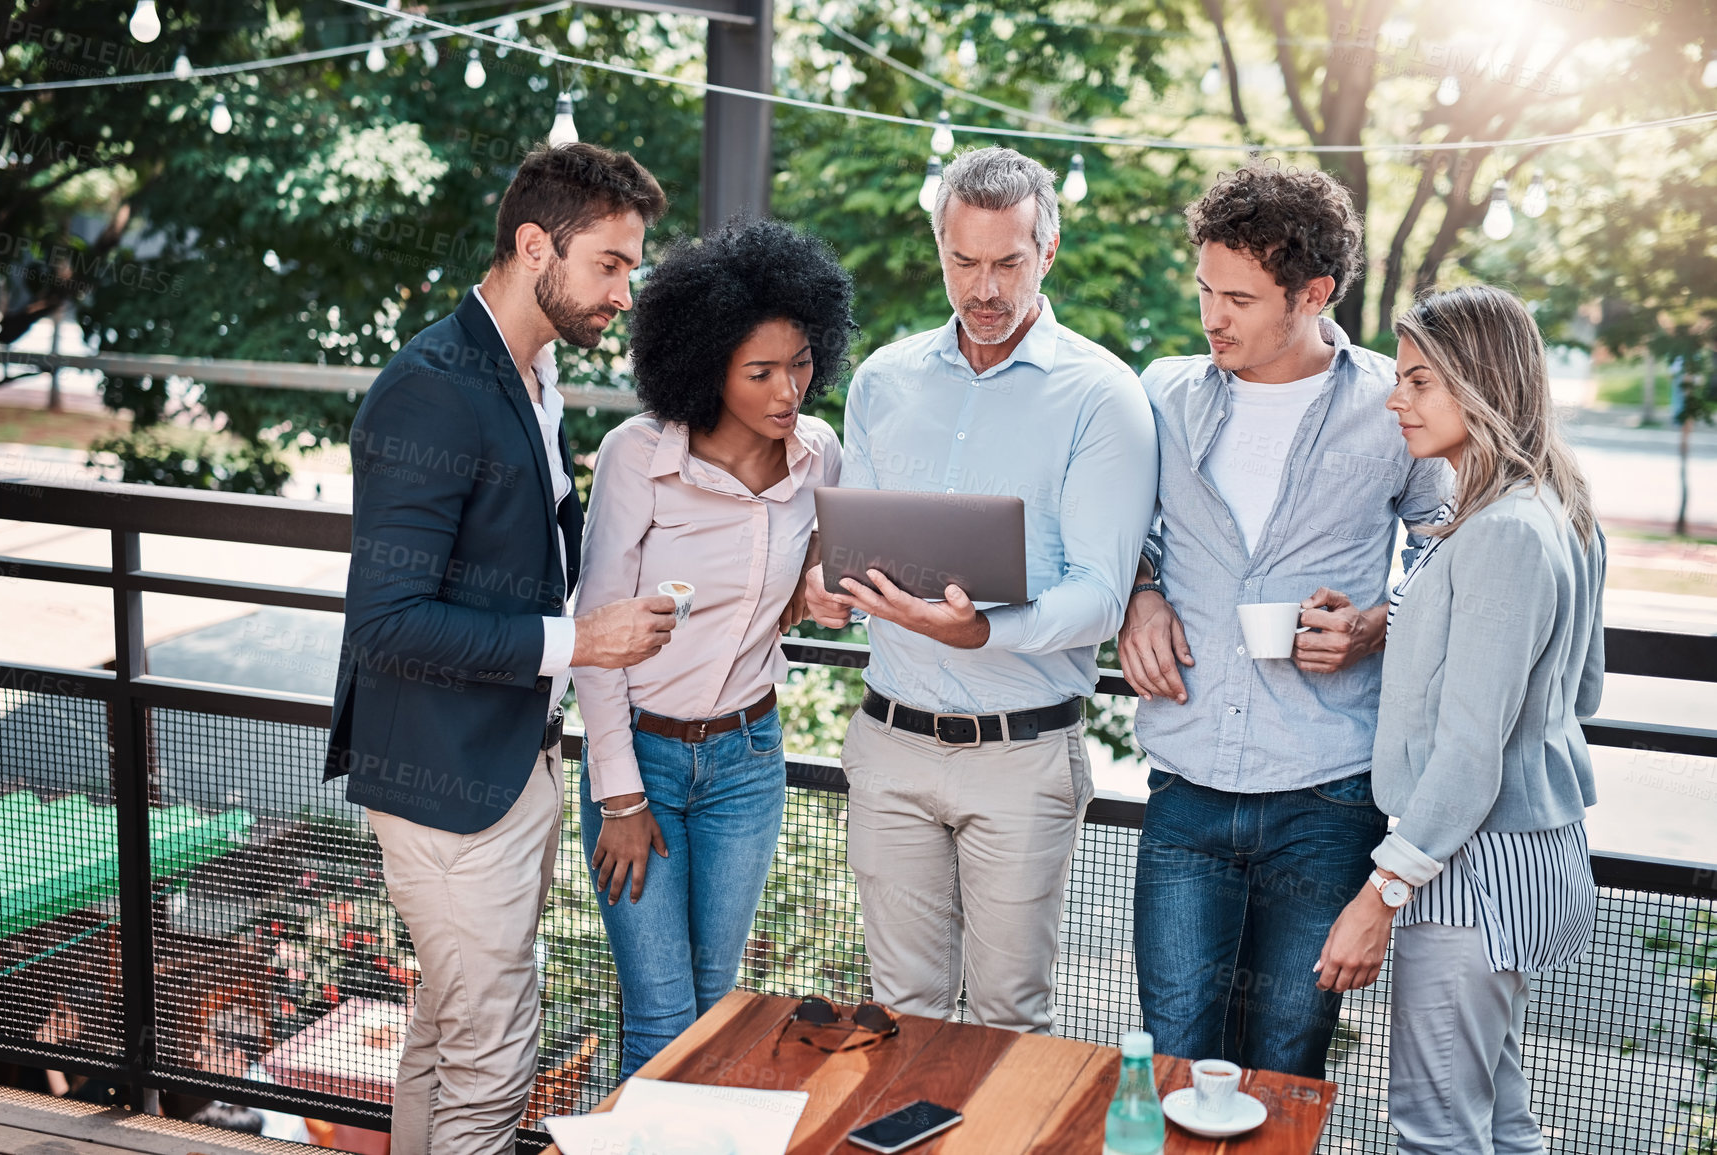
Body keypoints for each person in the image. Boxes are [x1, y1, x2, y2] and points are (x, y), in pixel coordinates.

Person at [324, 142, 676, 1155]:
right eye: (609, 263)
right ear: (537, 248)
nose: (625, 290)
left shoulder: (531, 375)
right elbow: (386, 622)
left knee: (446, 1036)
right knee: (492, 1061)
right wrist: (583, 640)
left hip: (506, 765)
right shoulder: (432, 388)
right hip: (445, 782)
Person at [804, 146, 1159, 1035]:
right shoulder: (884, 380)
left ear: (1048, 252)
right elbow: (859, 545)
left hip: (1021, 759)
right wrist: (830, 580)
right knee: (901, 1016)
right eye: (964, 262)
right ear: (940, 251)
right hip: (890, 745)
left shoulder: (1100, 395)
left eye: (1007, 262)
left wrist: (982, 635)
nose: (985, 288)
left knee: (1008, 1022)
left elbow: (1102, 597)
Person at [1119, 164, 1451, 1079]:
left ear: (1313, 293)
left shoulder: (1394, 405)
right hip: (1185, 785)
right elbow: (1120, 531)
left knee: (1285, 1058)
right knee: (1175, 1054)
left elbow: (1450, 546)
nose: (1210, 317)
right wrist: (1140, 589)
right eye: (1203, 289)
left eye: (1238, 297)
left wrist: (1379, 621)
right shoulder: (1163, 394)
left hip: (1328, 793)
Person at [1314, 285, 1604, 1154]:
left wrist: (1379, 894)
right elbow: (1577, 690)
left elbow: (1470, 754)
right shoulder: (1560, 509)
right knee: (1500, 1122)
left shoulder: (1500, 532)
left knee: (1433, 1132)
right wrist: (1407, 625)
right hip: (1531, 855)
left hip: (1470, 870)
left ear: (1482, 385)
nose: (1395, 399)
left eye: (1419, 381)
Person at [572, 217, 855, 1076]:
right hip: (643, 762)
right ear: (705, 364)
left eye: (800, 363)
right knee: (661, 1016)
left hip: (747, 757)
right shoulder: (637, 458)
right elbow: (593, 639)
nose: (787, 390)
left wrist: (821, 590)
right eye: (759, 371)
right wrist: (620, 797)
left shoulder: (820, 459)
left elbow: (808, 583)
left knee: (713, 996)